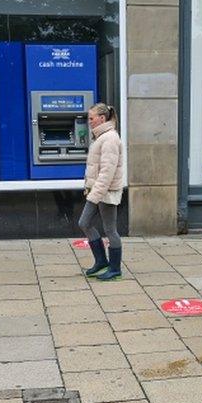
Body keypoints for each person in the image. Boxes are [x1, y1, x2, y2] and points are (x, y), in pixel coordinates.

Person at [78, 103, 124, 281]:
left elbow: (107, 172)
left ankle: (115, 268)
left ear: (102, 118)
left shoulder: (110, 138)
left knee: (109, 229)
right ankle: (101, 262)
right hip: (99, 190)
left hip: (106, 191)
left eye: (91, 118)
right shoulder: (102, 137)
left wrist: (94, 196)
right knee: (85, 223)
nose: (89, 121)